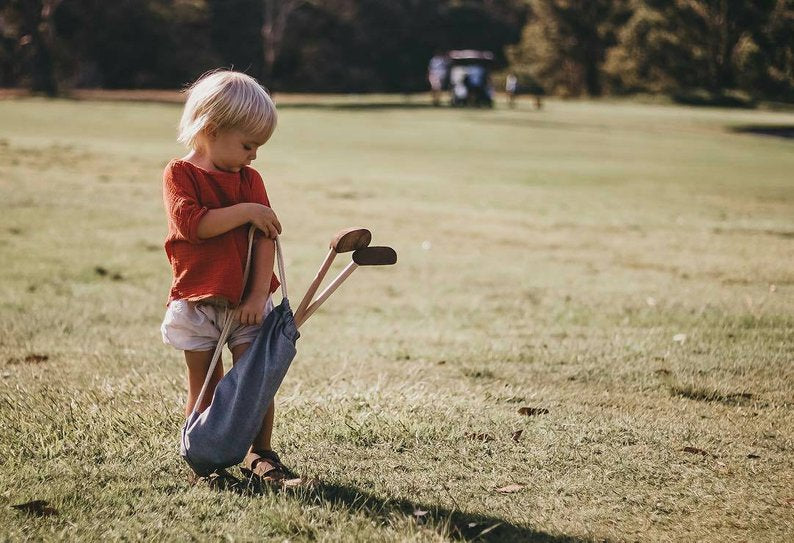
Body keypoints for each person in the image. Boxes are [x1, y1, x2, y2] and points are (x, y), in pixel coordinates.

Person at [160, 69, 293, 485]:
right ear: (212, 130)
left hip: (245, 304)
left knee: (255, 380)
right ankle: (205, 460)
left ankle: (260, 453)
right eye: (248, 145)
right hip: (197, 299)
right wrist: (246, 211)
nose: (254, 155)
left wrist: (257, 297)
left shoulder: (250, 180)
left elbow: (266, 240)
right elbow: (191, 225)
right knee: (205, 382)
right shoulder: (180, 175)